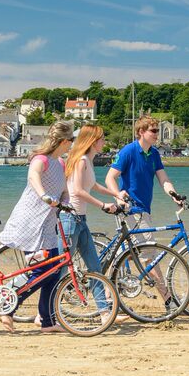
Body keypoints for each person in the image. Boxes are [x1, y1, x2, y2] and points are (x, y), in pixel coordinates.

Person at [0, 119, 74, 334]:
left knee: (54, 271)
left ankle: (47, 322)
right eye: (71, 140)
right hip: (30, 222)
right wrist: (44, 196)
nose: (72, 144)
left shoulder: (61, 163)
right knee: (41, 270)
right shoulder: (42, 159)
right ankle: (8, 308)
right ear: (62, 141)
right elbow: (33, 177)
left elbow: (64, 190)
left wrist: (67, 203)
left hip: (47, 224)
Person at [105, 115, 184, 310]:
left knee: (126, 255)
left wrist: (173, 194)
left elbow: (163, 179)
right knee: (150, 255)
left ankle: (107, 298)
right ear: (141, 132)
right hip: (133, 209)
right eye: (154, 131)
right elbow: (110, 178)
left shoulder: (154, 154)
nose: (157, 134)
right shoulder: (129, 151)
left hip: (144, 210)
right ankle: (168, 300)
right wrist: (118, 196)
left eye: (158, 130)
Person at [62, 124, 121, 309]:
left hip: (80, 220)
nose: (104, 141)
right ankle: (44, 314)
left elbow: (93, 186)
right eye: (102, 138)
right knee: (61, 268)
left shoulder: (88, 160)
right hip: (70, 220)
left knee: (95, 268)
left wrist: (117, 195)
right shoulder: (81, 161)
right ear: (93, 141)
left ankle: (105, 312)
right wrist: (103, 205)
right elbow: (78, 191)